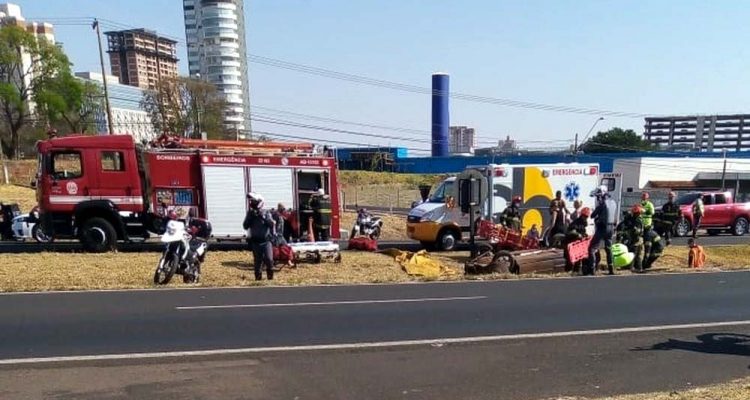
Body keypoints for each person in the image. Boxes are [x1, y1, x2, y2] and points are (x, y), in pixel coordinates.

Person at [585, 186, 618, 276]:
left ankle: (592, 270)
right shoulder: (614, 203)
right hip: (611, 228)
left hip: (602, 228)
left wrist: (597, 217)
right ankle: (611, 269)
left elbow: (592, 215)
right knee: (608, 249)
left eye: (598, 196)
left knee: (592, 248)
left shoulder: (602, 204)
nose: (598, 198)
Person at [242, 193, 275, 281]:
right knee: (257, 262)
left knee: (269, 259)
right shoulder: (250, 213)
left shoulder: (266, 212)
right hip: (256, 242)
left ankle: (270, 279)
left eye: (254, 201)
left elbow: (272, 224)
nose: (252, 203)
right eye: (252, 201)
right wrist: (251, 218)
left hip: (266, 241)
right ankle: (258, 280)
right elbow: (245, 226)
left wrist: (263, 217)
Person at [564, 206, 590, 272]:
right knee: (571, 258)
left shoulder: (583, 224)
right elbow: (571, 231)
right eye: (585, 216)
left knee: (580, 258)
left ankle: (576, 271)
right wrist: (578, 234)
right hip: (571, 242)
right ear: (582, 215)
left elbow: (583, 232)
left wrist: (586, 235)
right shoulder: (576, 222)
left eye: (587, 217)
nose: (586, 218)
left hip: (578, 244)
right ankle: (569, 270)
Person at [620, 205, 645, 273]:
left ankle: (633, 267)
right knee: (638, 255)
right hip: (637, 239)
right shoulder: (636, 219)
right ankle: (638, 268)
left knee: (634, 254)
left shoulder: (637, 220)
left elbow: (637, 231)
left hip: (637, 239)